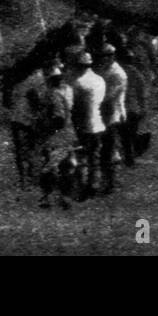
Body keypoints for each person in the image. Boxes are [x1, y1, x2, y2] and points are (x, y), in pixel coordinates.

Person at [35, 63, 75, 209]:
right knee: (66, 167)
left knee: (49, 167)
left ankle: (48, 197)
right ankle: (65, 196)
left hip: (54, 135)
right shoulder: (69, 90)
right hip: (69, 133)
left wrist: (46, 126)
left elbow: (59, 117)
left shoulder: (52, 93)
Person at [69, 51, 106, 200]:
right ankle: (94, 185)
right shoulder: (100, 80)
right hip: (98, 124)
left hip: (84, 125)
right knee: (95, 158)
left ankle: (83, 187)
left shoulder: (78, 83)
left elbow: (74, 106)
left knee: (82, 158)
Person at [8, 64, 47, 187]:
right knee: (32, 149)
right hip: (28, 120)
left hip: (16, 119)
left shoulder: (16, 79)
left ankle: (23, 179)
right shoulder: (37, 79)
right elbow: (37, 100)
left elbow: (9, 99)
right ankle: (31, 178)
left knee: (20, 151)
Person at [96, 44, 127, 194]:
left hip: (112, 114)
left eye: (107, 56)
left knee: (108, 150)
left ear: (112, 56)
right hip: (102, 114)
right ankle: (105, 181)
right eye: (102, 56)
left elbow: (109, 96)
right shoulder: (103, 69)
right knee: (104, 150)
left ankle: (110, 183)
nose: (104, 59)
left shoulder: (117, 74)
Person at [117, 45, 150, 165]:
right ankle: (130, 155)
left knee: (123, 134)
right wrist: (143, 108)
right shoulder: (136, 74)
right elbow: (142, 93)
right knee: (131, 132)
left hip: (119, 108)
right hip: (133, 108)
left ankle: (127, 155)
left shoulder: (116, 72)